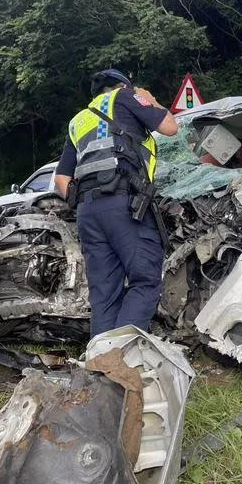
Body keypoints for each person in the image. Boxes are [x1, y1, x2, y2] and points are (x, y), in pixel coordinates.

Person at [54, 69, 178, 337]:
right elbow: (170, 127)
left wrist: (86, 203)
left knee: (104, 295)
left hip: (88, 212)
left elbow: (62, 179)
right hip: (124, 206)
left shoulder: (78, 120)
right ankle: (119, 359)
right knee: (144, 281)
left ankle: (99, 365)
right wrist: (151, 100)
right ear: (122, 85)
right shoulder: (126, 96)